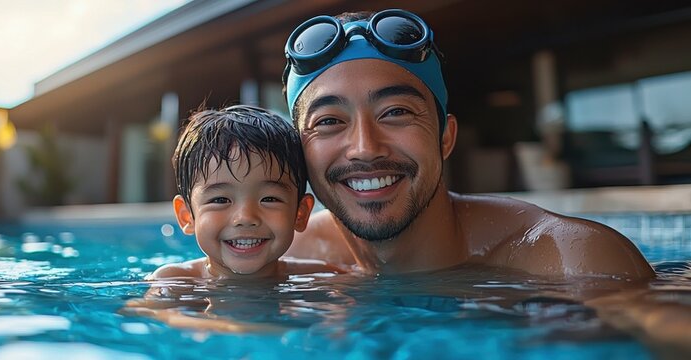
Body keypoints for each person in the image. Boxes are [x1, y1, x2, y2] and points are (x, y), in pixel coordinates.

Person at [281, 9, 654, 279]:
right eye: (328, 122)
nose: (365, 147)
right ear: (300, 151)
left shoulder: (572, 260)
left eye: (395, 112)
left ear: (446, 137)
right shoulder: (281, 258)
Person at [147, 105, 342, 280]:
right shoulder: (176, 281)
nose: (245, 217)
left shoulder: (322, 277)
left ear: (300, 213)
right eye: (221, 199)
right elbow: (156, 314)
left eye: (269, 199)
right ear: (186, 216)